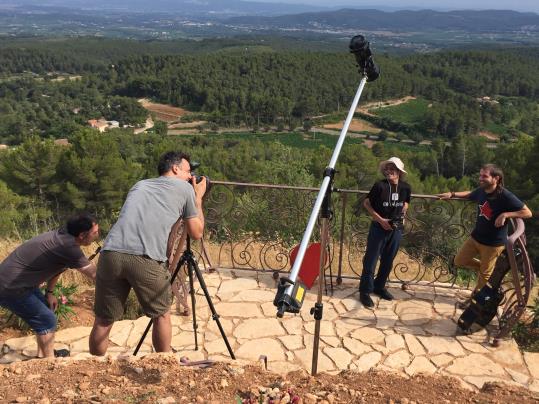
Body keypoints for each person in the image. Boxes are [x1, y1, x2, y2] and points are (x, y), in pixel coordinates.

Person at [89, 151, 206, 356]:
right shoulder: (184, 189)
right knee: (161, 315)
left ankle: (94, 367)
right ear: (175, 168)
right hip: (145, 257)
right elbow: (196, 233)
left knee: (103, 319)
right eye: (188, 171)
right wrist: (197, 198)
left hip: (111, 253)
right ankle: (162, 363)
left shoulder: (140, 184)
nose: (190, 177)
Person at [0, 214, 99, 358]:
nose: (97, 235)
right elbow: (95, 275)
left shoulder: (63, 236)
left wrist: (50, 292)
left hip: (19, 283)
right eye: (95, 232)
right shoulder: (68, 247)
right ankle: (48, 362)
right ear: (82, 235)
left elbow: (59, 267)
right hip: (10, 287)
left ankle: (43, 355)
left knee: (45, 312)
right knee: (46, 320)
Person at [438, 164, 532, 298]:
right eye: (480, 175)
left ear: (496, 178)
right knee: (459, 261)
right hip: (475, 238)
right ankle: (486, 269)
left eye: (484, 176)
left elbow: (527, 213)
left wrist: (506, 215)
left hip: (493, 245)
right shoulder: (482, 190)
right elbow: (470, 194)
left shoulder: (505, 196)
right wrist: (452, 194)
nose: (480, 178)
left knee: (484, 278)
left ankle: (475, 301)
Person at [359, 157, 411, 308]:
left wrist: (403, 213)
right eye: (387, 168)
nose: (388, 171)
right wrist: (380, 220)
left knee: (388, 260)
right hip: (378, 226)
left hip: (396, 229)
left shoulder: (405, 187)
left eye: (392, 168)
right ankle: (365, 291)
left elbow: (407, 201)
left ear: (399, 172)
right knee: (371, 259)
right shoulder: (379, 186)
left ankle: (379, 287)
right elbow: (366, 203)